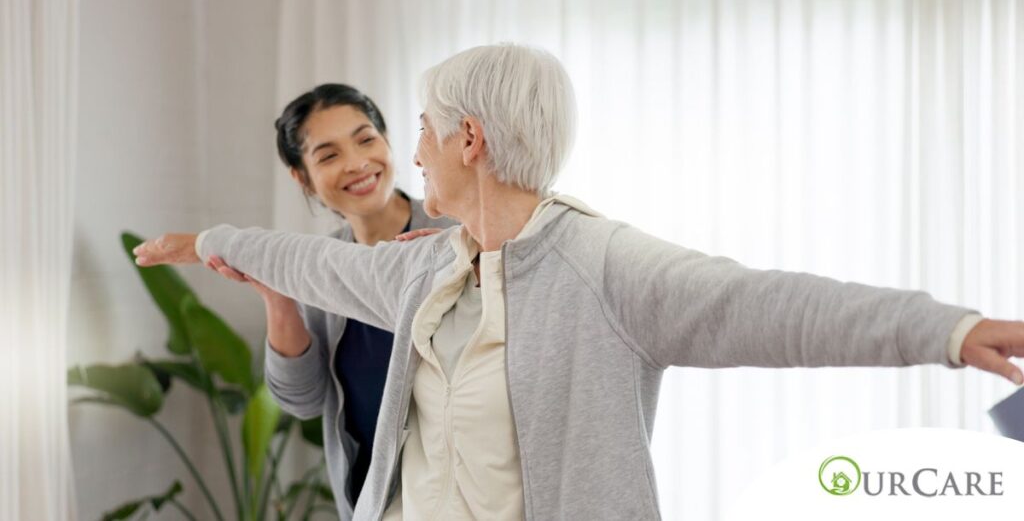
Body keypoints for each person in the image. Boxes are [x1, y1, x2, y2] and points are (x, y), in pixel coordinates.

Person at [134, 44, 1024, 520]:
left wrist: (947, 331)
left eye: (423, 131)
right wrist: (214, 242)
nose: (413, 154)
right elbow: (312, 262)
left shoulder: (604, 266)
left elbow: (771, 305)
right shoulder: (425, 264)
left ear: (470, 139)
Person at [209, 83, 453, 519]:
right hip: (371, 502)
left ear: (387, 141)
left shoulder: (455, 236)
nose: (356, 163)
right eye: (328, 155)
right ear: (301, 177)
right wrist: (279, 297)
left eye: (366, 140)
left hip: (456, 499)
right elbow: (302, 400)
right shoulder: (319, 265)